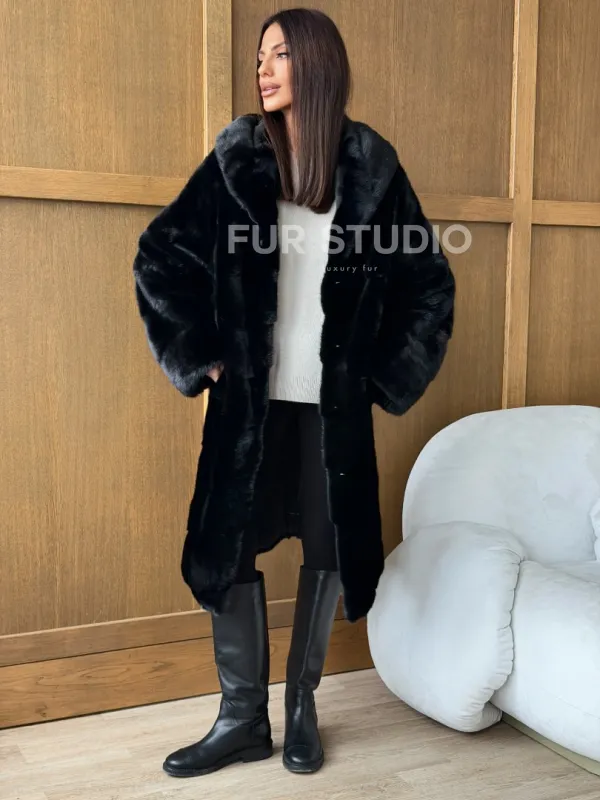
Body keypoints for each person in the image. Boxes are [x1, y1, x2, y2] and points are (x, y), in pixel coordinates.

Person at [132, 7, 455, 780]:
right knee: (230, 548)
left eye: (279, 54)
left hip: (330, 409)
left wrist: (382, 377)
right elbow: (159, 259)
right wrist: (204, 356)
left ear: (317, 63)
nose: (263, 69)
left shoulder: (372, 171)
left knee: (328, 545)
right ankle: (241, 718)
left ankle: (302, 707)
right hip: (251, 406)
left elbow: (429, 289)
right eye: (260, 57)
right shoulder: (237, 160)